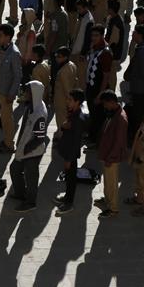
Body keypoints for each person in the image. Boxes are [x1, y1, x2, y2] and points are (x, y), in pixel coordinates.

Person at [10, 81, 49, 213]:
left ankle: (30, 202)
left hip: (33, 151)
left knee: (31, 177)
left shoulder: (40, 113)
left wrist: (26, 149)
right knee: (15, 168)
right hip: (24, 147)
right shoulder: (31, 106)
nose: (25, 94)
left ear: (34, 93)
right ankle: (20, 194)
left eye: (28, 92)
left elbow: (40, 138)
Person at [93, 89, 129, 218]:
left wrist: (111, 157)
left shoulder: (121, 118)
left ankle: (113, 208)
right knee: (107, 180)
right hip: (107, 153)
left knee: (112, 183)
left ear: (112, 102)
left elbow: (119, 142)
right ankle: (107, 199)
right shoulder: (113, 113)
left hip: (112, 156)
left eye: (105, 103)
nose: (104, 106)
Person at [53, 88, 86, 216]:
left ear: (77, 102)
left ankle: (69, 203)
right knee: (68, 178)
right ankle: (67, 197)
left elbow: (76, 143)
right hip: (68, 152)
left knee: (71, 179)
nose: (67, 101)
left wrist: (69, 159)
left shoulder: (78, 119)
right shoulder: (73, 113)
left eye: (70, 100)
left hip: (70, 155)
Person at [0, 24, 22, 151]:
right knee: (2, 117)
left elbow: (18, 76)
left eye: (0, 35)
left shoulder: (14, 53)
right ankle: (5, 139)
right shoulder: (4, 48)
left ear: (8, 37)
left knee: (7, 119)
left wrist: (11, 94)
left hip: (6, 93)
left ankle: (9, 144)